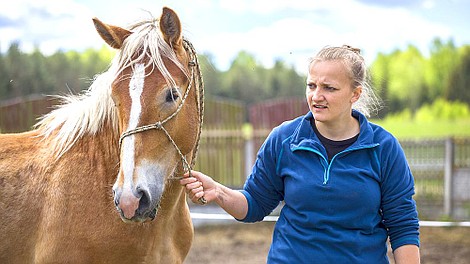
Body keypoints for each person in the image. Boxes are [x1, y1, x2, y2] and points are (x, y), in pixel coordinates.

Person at [181, 45, 420, 263]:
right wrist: (219, 192)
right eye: (311, 85)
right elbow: (254, 205)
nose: (316, 96)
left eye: (329, 88)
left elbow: (403, 226)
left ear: (354, 94)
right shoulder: (284, 139)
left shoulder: (383, 147)